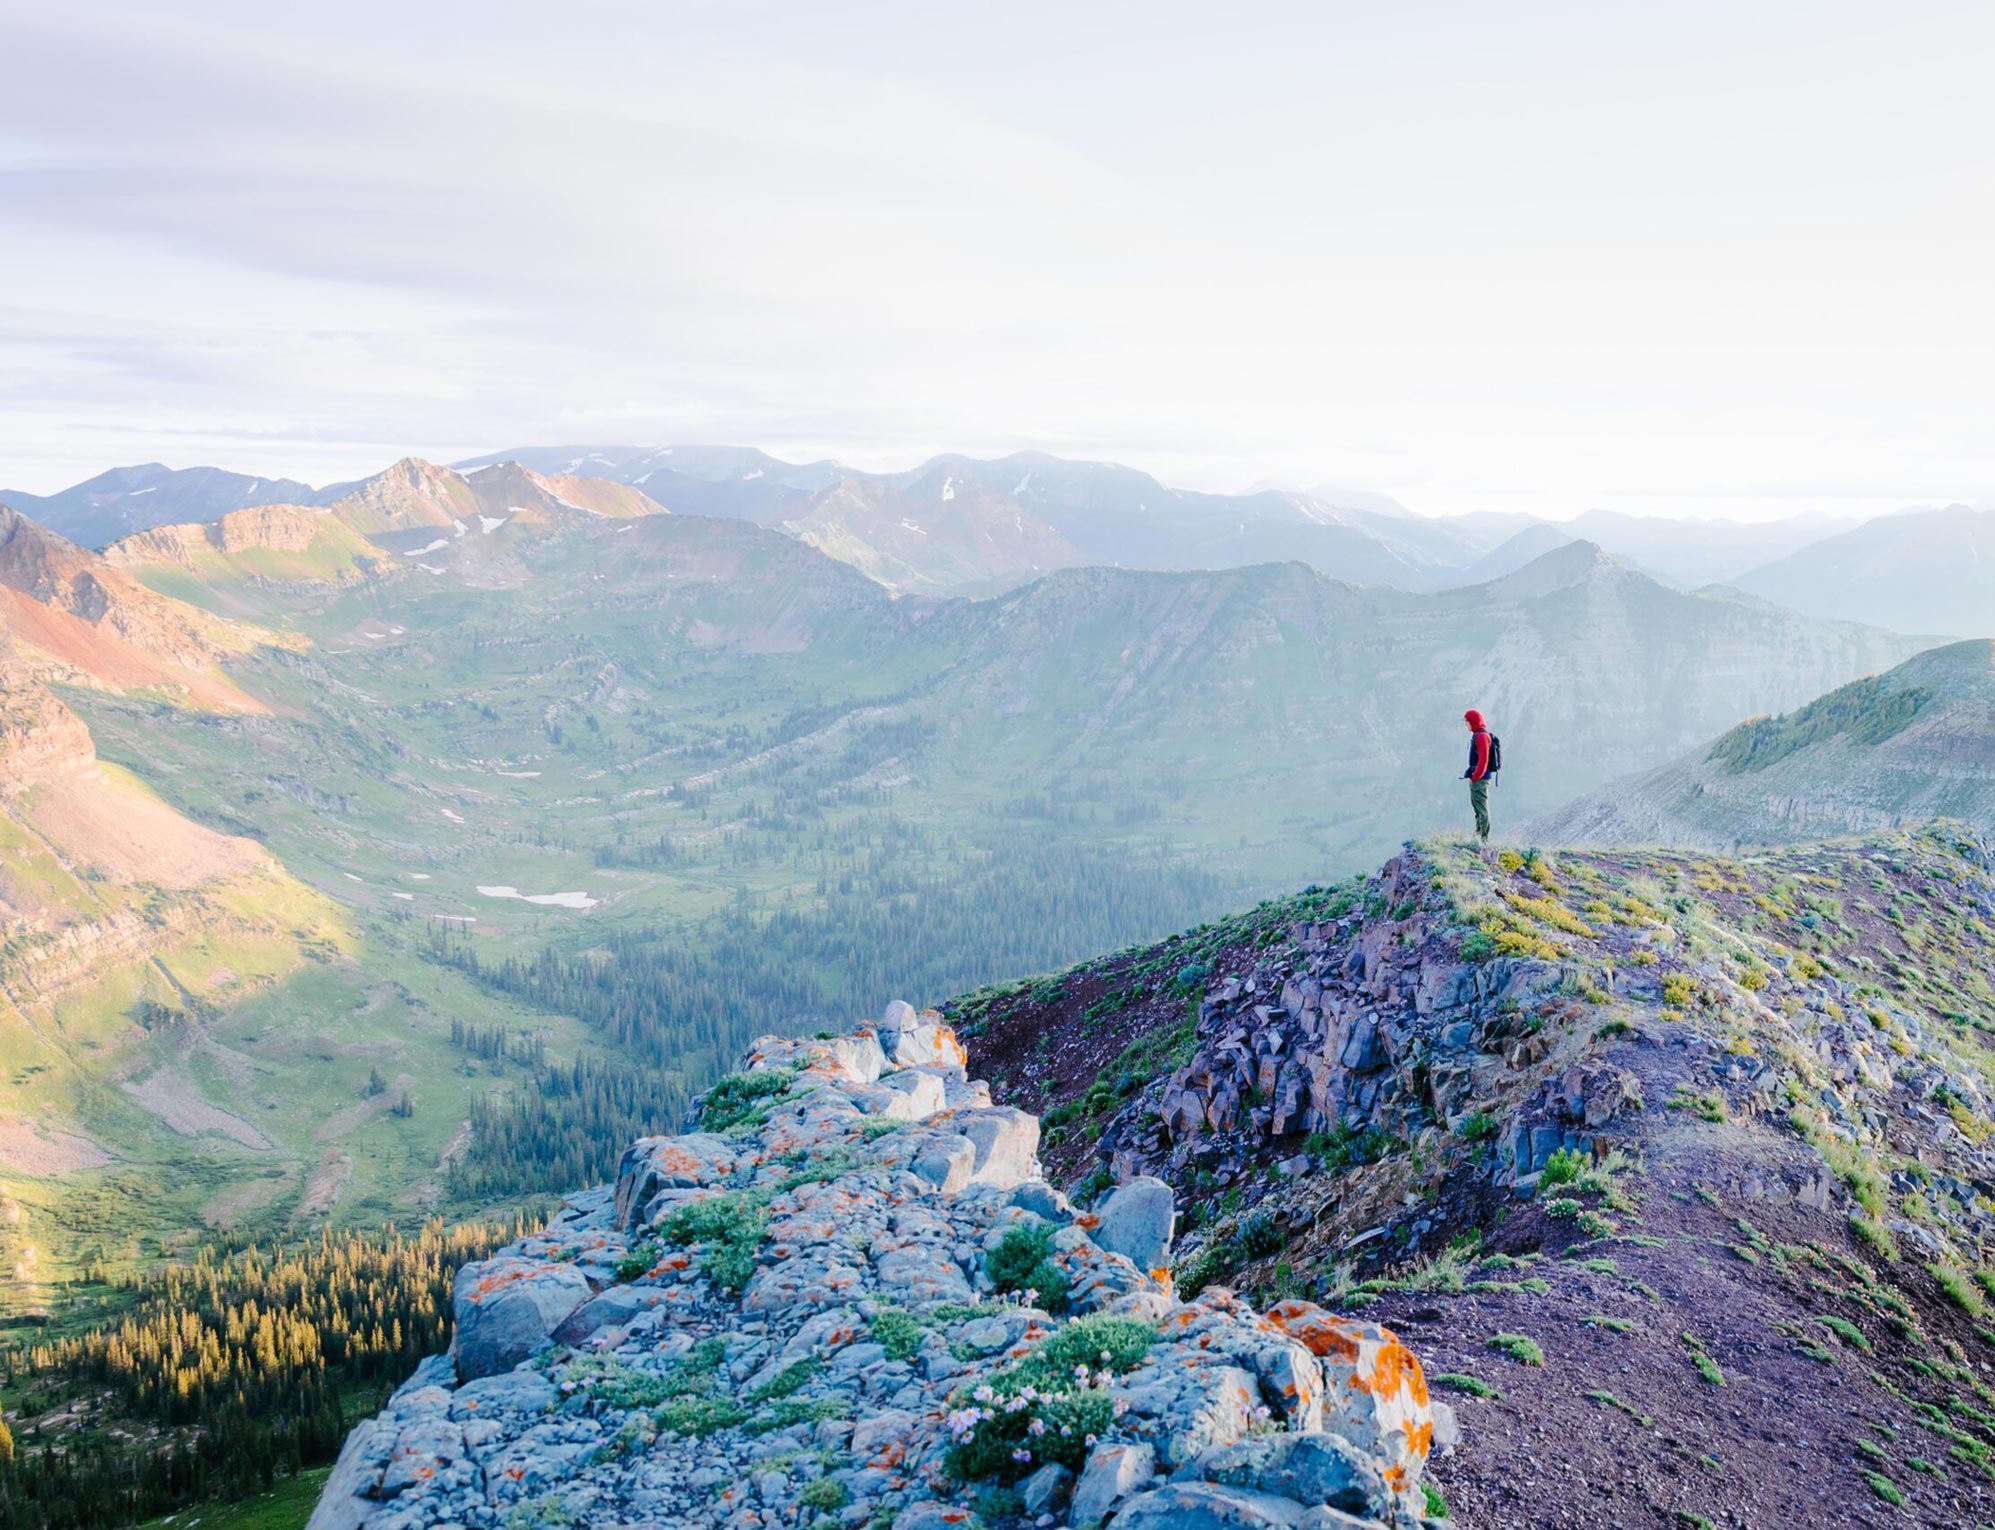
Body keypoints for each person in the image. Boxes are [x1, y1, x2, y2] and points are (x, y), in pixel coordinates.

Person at [1462, 709, 1495, 842]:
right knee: (1477, 806)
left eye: (1467, 721)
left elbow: (1484, 760)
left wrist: (1476, 776)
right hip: (1478, 777)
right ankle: (1479, 833)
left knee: (1481, 807)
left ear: (1473, 722)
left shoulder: (1482, 736)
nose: (1466, 724)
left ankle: (1483, 838)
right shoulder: (1479, 735)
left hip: (1480, 779)